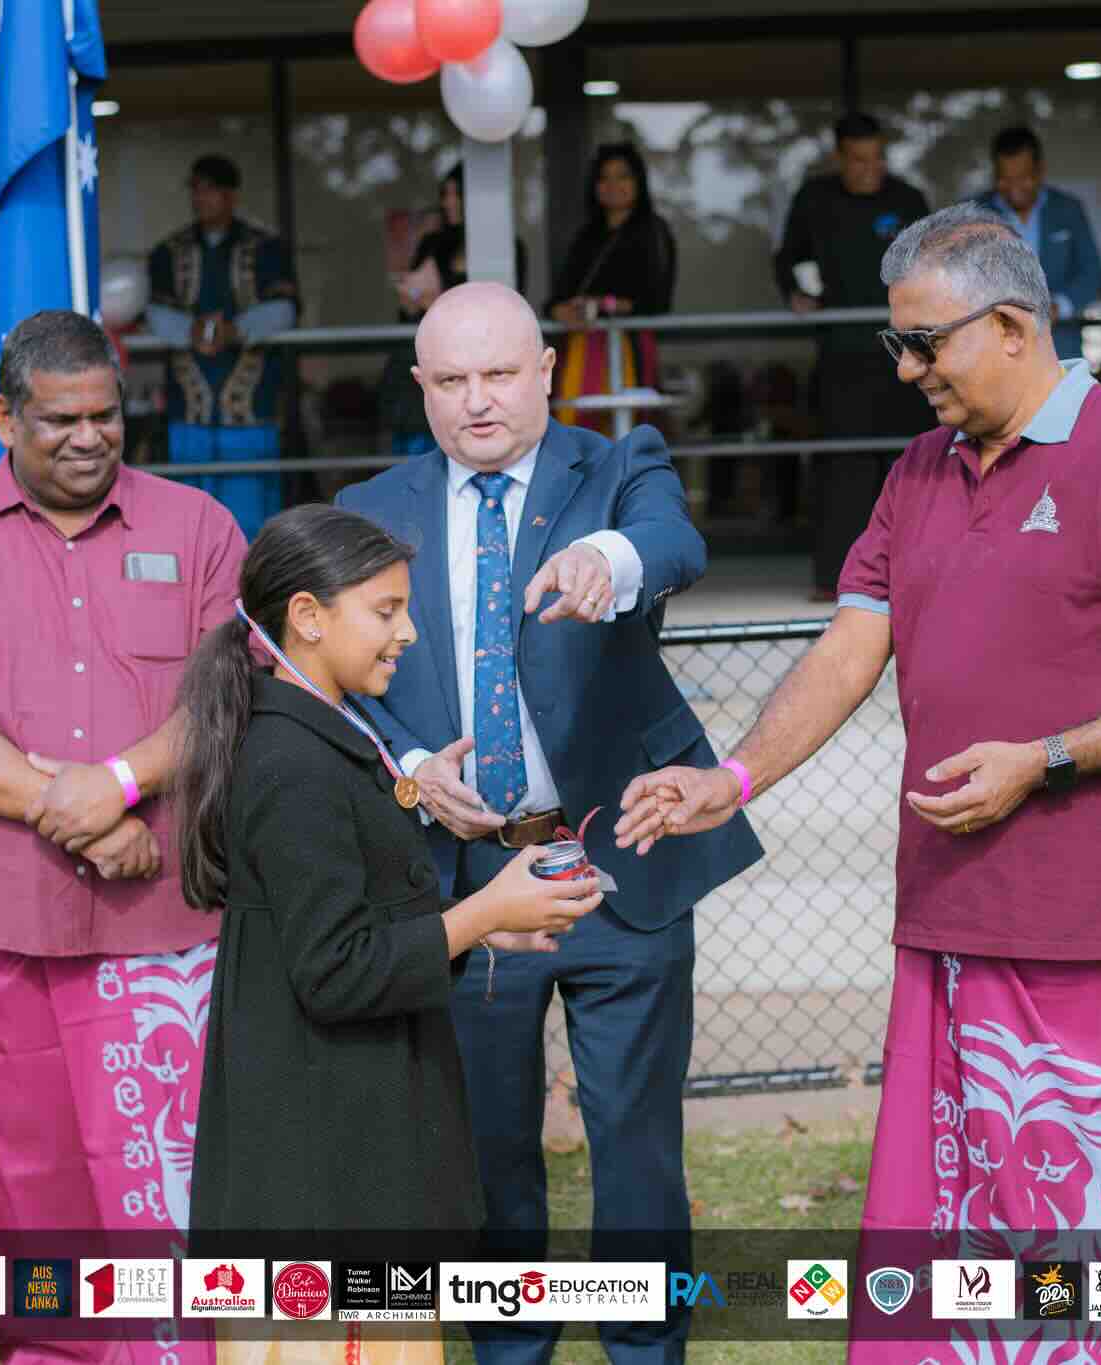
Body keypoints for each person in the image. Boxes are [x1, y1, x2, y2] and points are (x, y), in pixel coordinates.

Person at [617, 204, 1101, 1364]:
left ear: (1013, 325)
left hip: (1087, 925)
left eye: (926, 343)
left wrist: (1047, 758)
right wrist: (732, 776)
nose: (908, 370)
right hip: (946, 914)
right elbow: (846, 649)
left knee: (1090, 1244)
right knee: (950, 1233)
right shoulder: (918, 469)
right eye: (896, 347)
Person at [336, 281, 762, 1365]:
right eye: (451, 381)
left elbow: (671, 543)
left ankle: (642, 1351)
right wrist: (414, 765)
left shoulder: (617, 469)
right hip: (472, 883)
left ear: (544, 375)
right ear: (422, 388)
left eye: (497, 374)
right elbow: (332, 674)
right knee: (488, 1158)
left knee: (634, 1152)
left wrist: (606, 562)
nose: (477, 401)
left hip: (623, 853)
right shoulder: (370, 508)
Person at [0, 310, 245, 1365]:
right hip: (6, 914)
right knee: (34, 1172)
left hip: (164, 911)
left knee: (166, 1167)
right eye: (59, 420)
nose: (88, 438)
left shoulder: (201, 528)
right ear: (3, 417)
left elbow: (229, 699)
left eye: (106, 415)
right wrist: (71, 809)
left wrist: (121, 787)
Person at [183, 504, 601, 1365]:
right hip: (321, 1184)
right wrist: (481, 912)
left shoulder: (323, 734)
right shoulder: (293, 763)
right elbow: (336, 971)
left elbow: (357, 932)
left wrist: (478, 934)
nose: (409, 631)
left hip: (347, 1157)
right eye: (385, 610)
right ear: (307, 617)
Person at [774, 112, 936, 602]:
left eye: (877, 158)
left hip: (902, 354)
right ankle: (835, 580)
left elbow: (933, 266)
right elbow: (790, 258)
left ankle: (912, 575)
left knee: (907, 464)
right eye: (859, 160)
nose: (870, 168)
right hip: (840, 355)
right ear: (839, 158)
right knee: (842, 468)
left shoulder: (908, 199)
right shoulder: (814, 199)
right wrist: (796, 294)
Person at [146, 155, 299, 537]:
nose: (201, 198)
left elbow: (285, 310)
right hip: (189, 412)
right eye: (196, 189)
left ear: (231, 196)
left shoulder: (266, 248)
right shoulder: (168, 251)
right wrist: (191, 331)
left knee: (248, 524)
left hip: (250, 411)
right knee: (187, 525)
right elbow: (155, 312)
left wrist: (237, 331)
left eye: (210, 189)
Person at [380, 165, 530, 456]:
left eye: (458, 194)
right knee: (418, 452)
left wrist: (438, 303)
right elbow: (408, 309)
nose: (449, 202)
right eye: (445, 195)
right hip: (432, 361)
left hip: (482, 362)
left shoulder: (505, 246)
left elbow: (510, 306)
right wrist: (412, 298)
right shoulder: (433, 244)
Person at [545, 143, 678, 433]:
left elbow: (658, 301)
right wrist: (561, 310)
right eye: (604, 178)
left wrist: (606, 305)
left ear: (638, 183)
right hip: (583, 348)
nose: (613, 185)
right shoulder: (586, 236)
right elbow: (556, 298)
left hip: (628, 347)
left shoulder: (654, 231)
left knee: (627, 436)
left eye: (623, 176)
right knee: (579, 435)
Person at [976, 126, 1101, 360]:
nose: (1015, 189)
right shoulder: (974, 214)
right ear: (995, 176)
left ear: (1040, 171)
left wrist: (1058, 306)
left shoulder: (1067, 209)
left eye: (1023, 178)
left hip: (1060, 347)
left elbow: (1092, 272)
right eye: (1005, 179)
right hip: (994, 350)